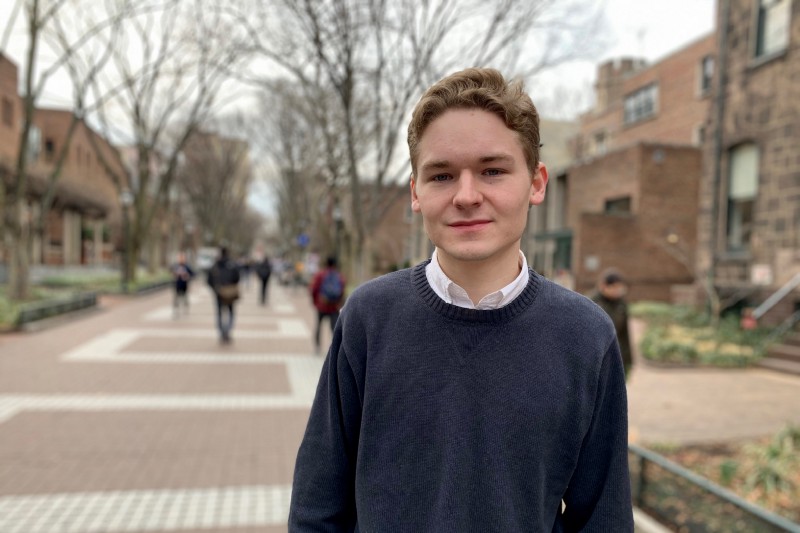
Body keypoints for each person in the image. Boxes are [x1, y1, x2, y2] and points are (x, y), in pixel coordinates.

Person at [289, 68, 633, 531]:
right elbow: (316, 508)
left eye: (492, 170)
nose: (466, 196)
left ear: (536, 182)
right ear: (416, 192)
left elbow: (603, 520)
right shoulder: (369, 319)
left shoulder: (586, 336)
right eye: (442, 175)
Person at [590, 268, 634, 381]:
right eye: (615, 287)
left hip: (616, 357)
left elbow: (625, 334)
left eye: (620, 287)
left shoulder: (621, 304)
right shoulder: (590, 303)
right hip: (596, 359)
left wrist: (628, 361)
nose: (618, 291)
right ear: (604, 286)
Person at [308, 256, 345, 354]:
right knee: (335, 329)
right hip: (333, 307)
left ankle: (317, 347)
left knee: (319, 326)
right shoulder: (338, 276)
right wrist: (339, 303)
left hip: (321, 305)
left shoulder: (320, 275)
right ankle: (335, 350)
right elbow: (342, 290)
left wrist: (315, 302)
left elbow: (314, 289)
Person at [206, 247, 240, 344]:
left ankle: (222, 332)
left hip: (218, 293)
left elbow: (209, 280)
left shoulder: (215, 265)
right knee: (231, 313)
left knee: (219, 314)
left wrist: (215, 288)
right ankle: (227, 331)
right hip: (230, 293)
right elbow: (237, 278)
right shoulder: (232, 265)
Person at [171, 251, 194, 317]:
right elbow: (171, 272)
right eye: (180, 258)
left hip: (185, 285)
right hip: (177, 285)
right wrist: (174, 275)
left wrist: (187, 276)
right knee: (176, 298)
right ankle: (176, 310)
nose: (181, 259)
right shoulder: (175, 266)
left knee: (185, 298)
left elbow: (193, 273)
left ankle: (185, 310)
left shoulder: (187, 266)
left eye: (182, 258)